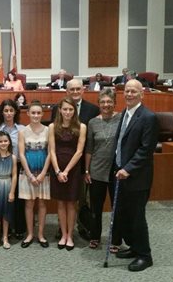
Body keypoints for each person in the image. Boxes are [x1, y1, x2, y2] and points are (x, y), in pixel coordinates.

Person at [113, 79, 158, 272]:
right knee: (126, 216)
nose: (129, 94)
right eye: (127, 91)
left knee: (138, 217)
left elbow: (146, 150)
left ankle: (145, 256)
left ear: (142, 95)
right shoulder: (125, 113)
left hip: (137, 177)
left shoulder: (148, 117)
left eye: (133, 91)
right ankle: (134, 247)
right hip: (122, 175)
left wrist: (128, 168)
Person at [51, 78, 100, 240]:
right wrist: (58, 170)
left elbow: (91, 141)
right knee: (62, 201)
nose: (75, 92)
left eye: (78, 89)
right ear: (67, 91)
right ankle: (62, 229)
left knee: (78, 200)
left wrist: (86, 168)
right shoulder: (56, 110)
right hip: (59, 164)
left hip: (80, 163)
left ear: (83, 90)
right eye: (72, 90)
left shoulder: (92, 110)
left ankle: (80, 227)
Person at [83, 88, 123, 253]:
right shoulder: (93, 123)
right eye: (103, 102)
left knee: (117, 207)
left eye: (109, 102)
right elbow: (89, 149)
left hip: (115, 171)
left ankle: (115, 240)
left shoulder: (121, 118)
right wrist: (86, 171)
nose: (106, 105)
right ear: (98, 104)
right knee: (96, 208)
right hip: (97, 170)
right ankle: (95, 237)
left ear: (114, 103)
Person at [49, 97, 87, 251]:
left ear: (74, 111)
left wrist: (66, 171)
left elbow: (79, 151)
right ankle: (63, 234)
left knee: (71, 203)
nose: (67, 112)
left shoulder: (81, 126)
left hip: (73, 170)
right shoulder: (53, 126)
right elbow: (51, 150)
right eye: (65, 109)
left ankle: (70, 235)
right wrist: (58, 170)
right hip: (57, 168)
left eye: (70, 109)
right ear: (60, 110)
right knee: (60, 203)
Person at [18, 101, 51, 248]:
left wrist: (43, 173)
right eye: (33, 113)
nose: (36, 115)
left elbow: (51, 153)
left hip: (43, 173)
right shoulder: (22, 131)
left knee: (42, 204)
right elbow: (21, 154)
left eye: (38, 113)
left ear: (42, 114)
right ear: (28, 114)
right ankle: (30, 234)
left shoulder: (48, 130)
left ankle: (41, 234)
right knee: (29, 204)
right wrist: (30, 175)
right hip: (27, 174)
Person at [0, 99, 25, 239]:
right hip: (1, 167)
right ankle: (2, 228)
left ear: (15, 112)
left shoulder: (22, 129)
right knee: (3, 198)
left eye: (11, 110)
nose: (8, 113)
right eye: (6, 111)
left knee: (18, 199)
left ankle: (19, 227)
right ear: (2, 113)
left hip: (18, 166)